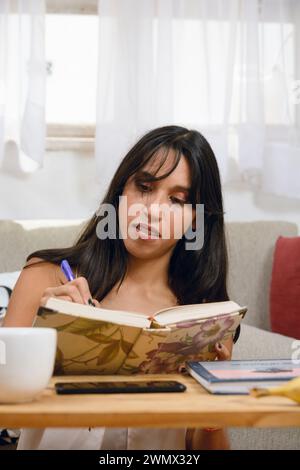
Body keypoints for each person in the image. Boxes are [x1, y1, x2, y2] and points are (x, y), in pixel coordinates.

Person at [4, 125, 238, 450]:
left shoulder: (201, 318)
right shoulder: (46, 278)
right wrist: (41, 334)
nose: (152, 211)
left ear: (196, 220)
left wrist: (216, 405)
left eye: (176, 200)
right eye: (144, 187)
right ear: (121, 193)